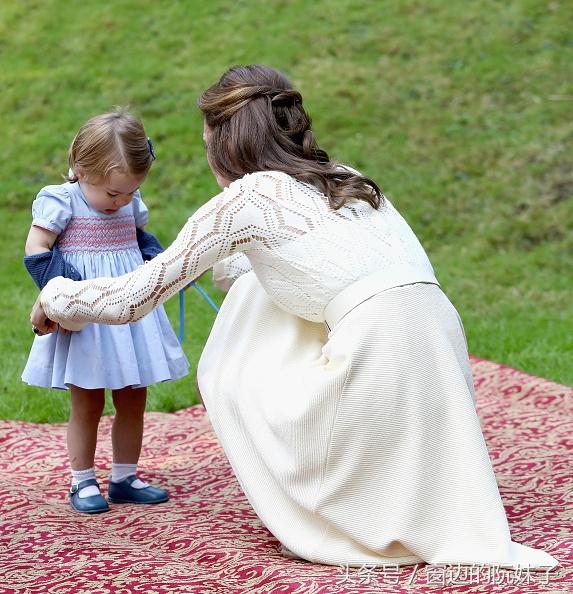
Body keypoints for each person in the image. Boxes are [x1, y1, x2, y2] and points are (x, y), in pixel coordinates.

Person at [31, 66, 557, 570]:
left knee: (241, 330)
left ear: (222, 140)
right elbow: (296, 264)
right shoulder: (345, 178)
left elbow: (132, 298)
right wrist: (233, 261)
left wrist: (54, 296)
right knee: (259, 283)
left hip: (377, 358)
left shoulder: (245, 199)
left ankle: (328, 494)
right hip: (439, 346)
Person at [23, 108, 189, 514]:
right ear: (80, 169)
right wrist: (63, 296)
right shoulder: (61, 201)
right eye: (113, 194)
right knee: (88, 399)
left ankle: (124, 476)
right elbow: (36, 249)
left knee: (134, 396)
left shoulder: (128, 201)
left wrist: (161, 267)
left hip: (128, 313)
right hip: (87, 316)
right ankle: (82, 481)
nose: (122, 201)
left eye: (131, 192)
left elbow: (138, 238)